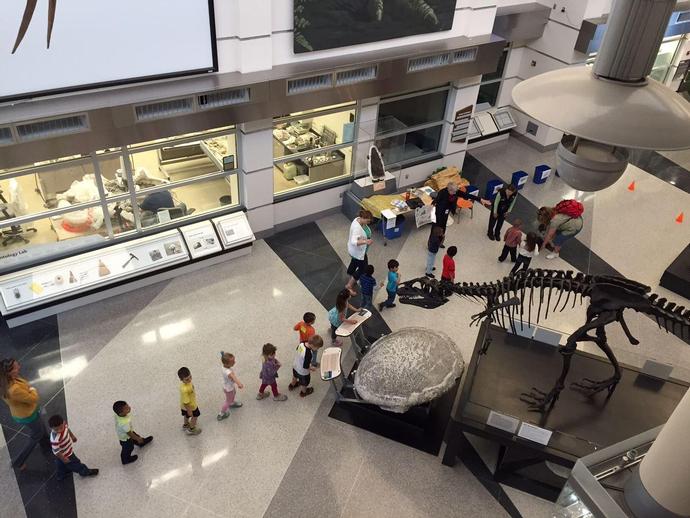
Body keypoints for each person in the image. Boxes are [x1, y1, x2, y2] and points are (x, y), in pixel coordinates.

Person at [1, 358, 45, 470]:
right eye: (16, 367)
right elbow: (33, 398)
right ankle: (19, 461)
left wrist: (28, 389)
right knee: (36, 434)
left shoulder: (8, 380)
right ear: (9, 372)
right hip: (28, 414)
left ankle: (46, 443)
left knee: (40, 428)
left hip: (25, 411)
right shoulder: (13, 389)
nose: (19, 367)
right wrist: (32, 388)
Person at [48, 414, 98, 481]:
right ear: (51, 428)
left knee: (60, 465)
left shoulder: (64, 425)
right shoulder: (54, 439)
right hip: (66, 454)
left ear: (63, 422)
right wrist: (64, 458)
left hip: (66, 450)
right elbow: (56, 452)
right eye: (56, 430)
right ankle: (85, 471)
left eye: (61, 427)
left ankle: (60, 475)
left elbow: (67, 429)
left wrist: (72, 436)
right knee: (76, 463)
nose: (59, 430)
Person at [113, 400, 153, 465]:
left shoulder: (118, 415)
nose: (129, 407)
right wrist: (138, 438)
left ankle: (140, 442)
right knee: (129, 447)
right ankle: (125, 459)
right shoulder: (124, 423)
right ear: (121, 413)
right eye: (126, 408)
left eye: (128, 405)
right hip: (125, 438)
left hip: (127, 431)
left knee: (135, 436)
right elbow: (129, 434)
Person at [345, 210, 374, 295]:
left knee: (354, 262)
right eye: (367, 221)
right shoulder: (357, 228)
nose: (368, 223)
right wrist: (366, 242)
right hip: (358, 253)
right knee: (362, 269)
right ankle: (349, 285)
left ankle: (350, 272)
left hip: (356, 252)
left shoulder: (358, 219)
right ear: (362, 218)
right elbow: (354, 242)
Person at [217, 352, 244, 421]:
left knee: (234, 393)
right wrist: (239, 384)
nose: (235, 362)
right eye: (232, 362)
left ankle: (232, 402)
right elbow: (234, 377)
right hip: (229, 388)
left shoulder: (224, 366)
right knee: (228, 401)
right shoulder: (228, 372)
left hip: (227, 386)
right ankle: (221, 413)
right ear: (226, 363)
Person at [177, 367, 202, 435]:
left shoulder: (185, 384)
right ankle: (192, 428)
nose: (190, 379)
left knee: (186, 415)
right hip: (191, 406)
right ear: (181, 379)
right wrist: (189, 411)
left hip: (183, 407)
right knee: (195, 416)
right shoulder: (185, 390)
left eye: (190, 377)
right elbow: (186, 402)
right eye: (187, 379)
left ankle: (185, 424)